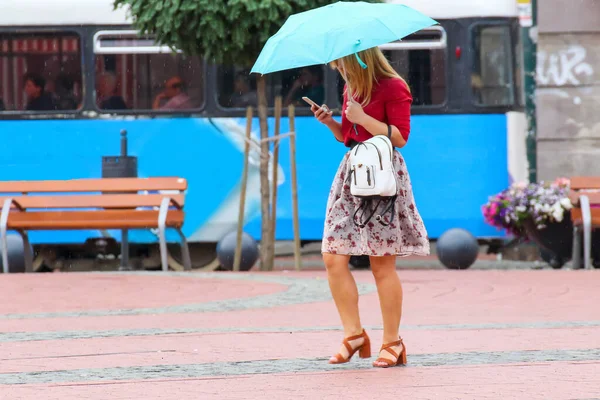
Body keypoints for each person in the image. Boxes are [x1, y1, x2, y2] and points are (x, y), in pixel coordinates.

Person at [311, 47, 429, 368]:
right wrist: (332, 123)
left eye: (341, 65)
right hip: (352, 172)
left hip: (382, 175)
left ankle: (392, 341)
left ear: (357, 60)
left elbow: (400, 137)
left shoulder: (393, 86)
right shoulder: (352, 88)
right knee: (333, 256)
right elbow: (350, 137)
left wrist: (363, 117)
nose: (339, 72)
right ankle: (354, 334)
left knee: (381, 263)